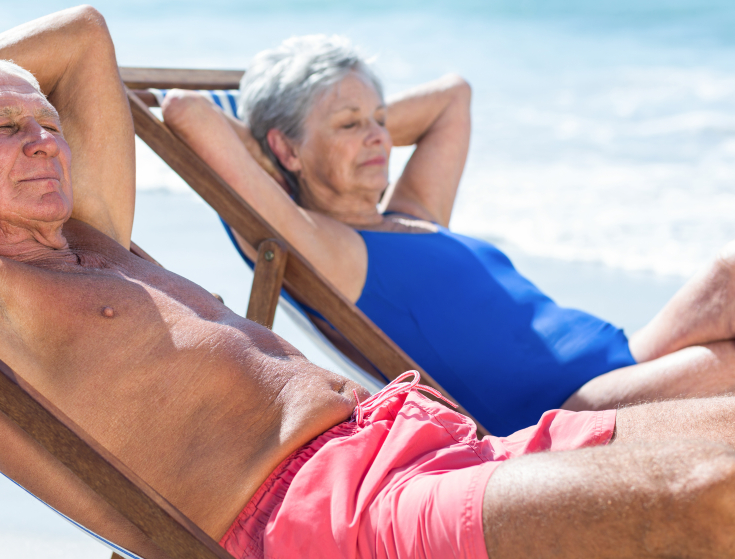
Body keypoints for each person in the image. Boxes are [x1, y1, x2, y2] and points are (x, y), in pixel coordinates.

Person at [0, 7, 735, 559]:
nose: (46, 135)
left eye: (45, 121)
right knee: (711, 491)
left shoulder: (99, 246)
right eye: (9, 130)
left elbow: (85, 38)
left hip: (439, 446)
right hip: (338, 523)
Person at [161, 34, 735, 436]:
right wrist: (285, 150)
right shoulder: (330, 251)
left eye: (381, 120)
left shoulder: (412, 213)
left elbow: (452, 96)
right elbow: (185, 112)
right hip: (563, 412)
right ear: (282, 148)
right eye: (350, 125)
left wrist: (344, 118)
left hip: (627, 359)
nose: (378, 138)